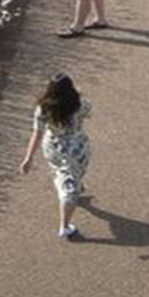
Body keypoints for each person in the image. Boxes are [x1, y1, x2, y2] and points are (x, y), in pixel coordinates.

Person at [21, 74, 94, 240]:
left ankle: (75, 186)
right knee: (69, 190)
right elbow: (90, 112)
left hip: (54, 148)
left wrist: (29, 157)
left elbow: (37, 133)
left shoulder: (43, 108)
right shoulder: (79, 105)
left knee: (63, 173)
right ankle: (65, 225)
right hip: (77, 147)